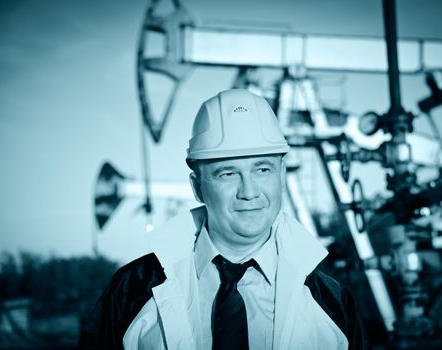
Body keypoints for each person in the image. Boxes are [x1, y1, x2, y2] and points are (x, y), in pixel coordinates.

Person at [78, 89, 369, 350]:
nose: (249, 192)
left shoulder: (331, 301)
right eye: (227, 173)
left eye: (262, 169)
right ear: (198, 187)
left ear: (281, 177)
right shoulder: (131, 292)